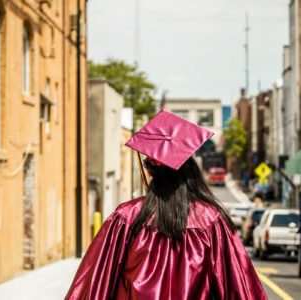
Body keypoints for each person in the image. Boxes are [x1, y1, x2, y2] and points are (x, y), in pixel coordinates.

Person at [65, 109, 267, 300]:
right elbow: (241, 289)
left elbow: (95, 287)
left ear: (151, 172)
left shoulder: (126, 218)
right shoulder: (212, 221)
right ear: (190, 172)